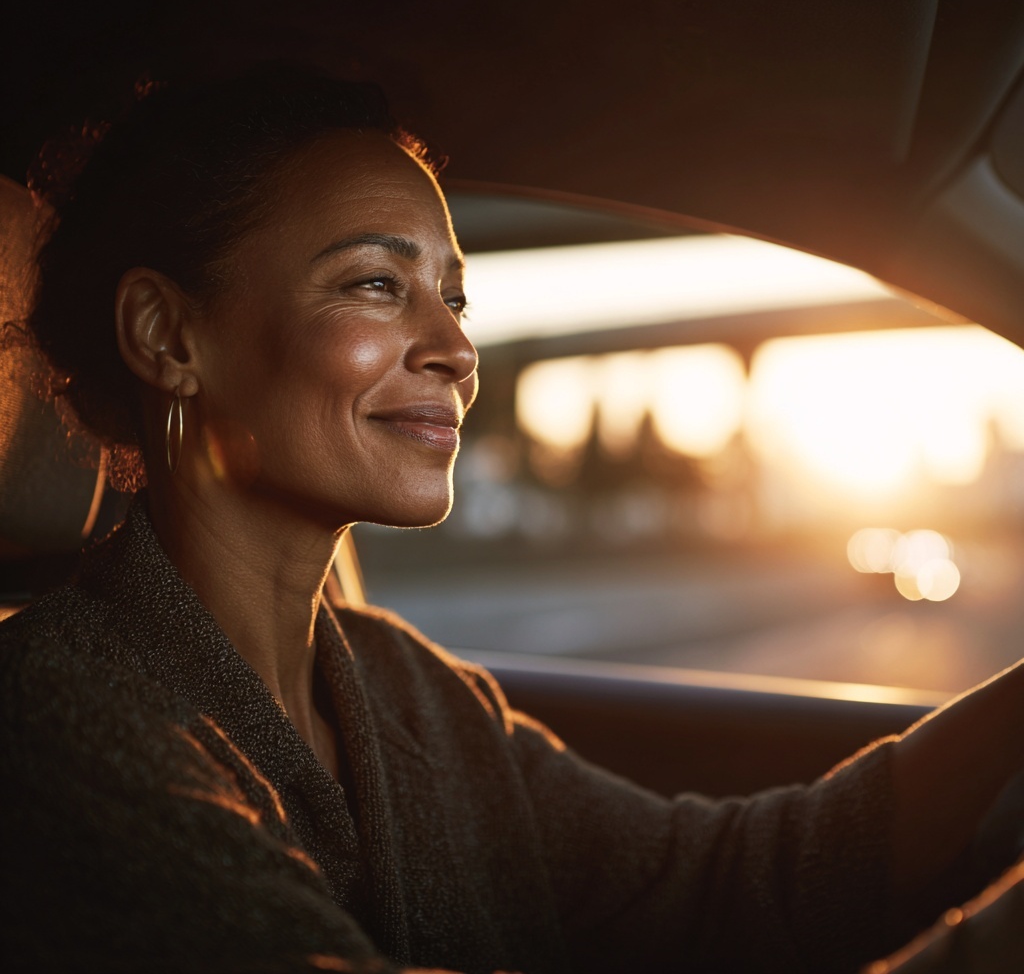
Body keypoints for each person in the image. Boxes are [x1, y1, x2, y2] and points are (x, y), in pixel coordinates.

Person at [1, 66, 1022, 974]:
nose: (453, 345)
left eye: (452, 297)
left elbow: (723, 887)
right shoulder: (52, 720)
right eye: (374, 283)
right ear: (167, 334)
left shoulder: (410, 691)